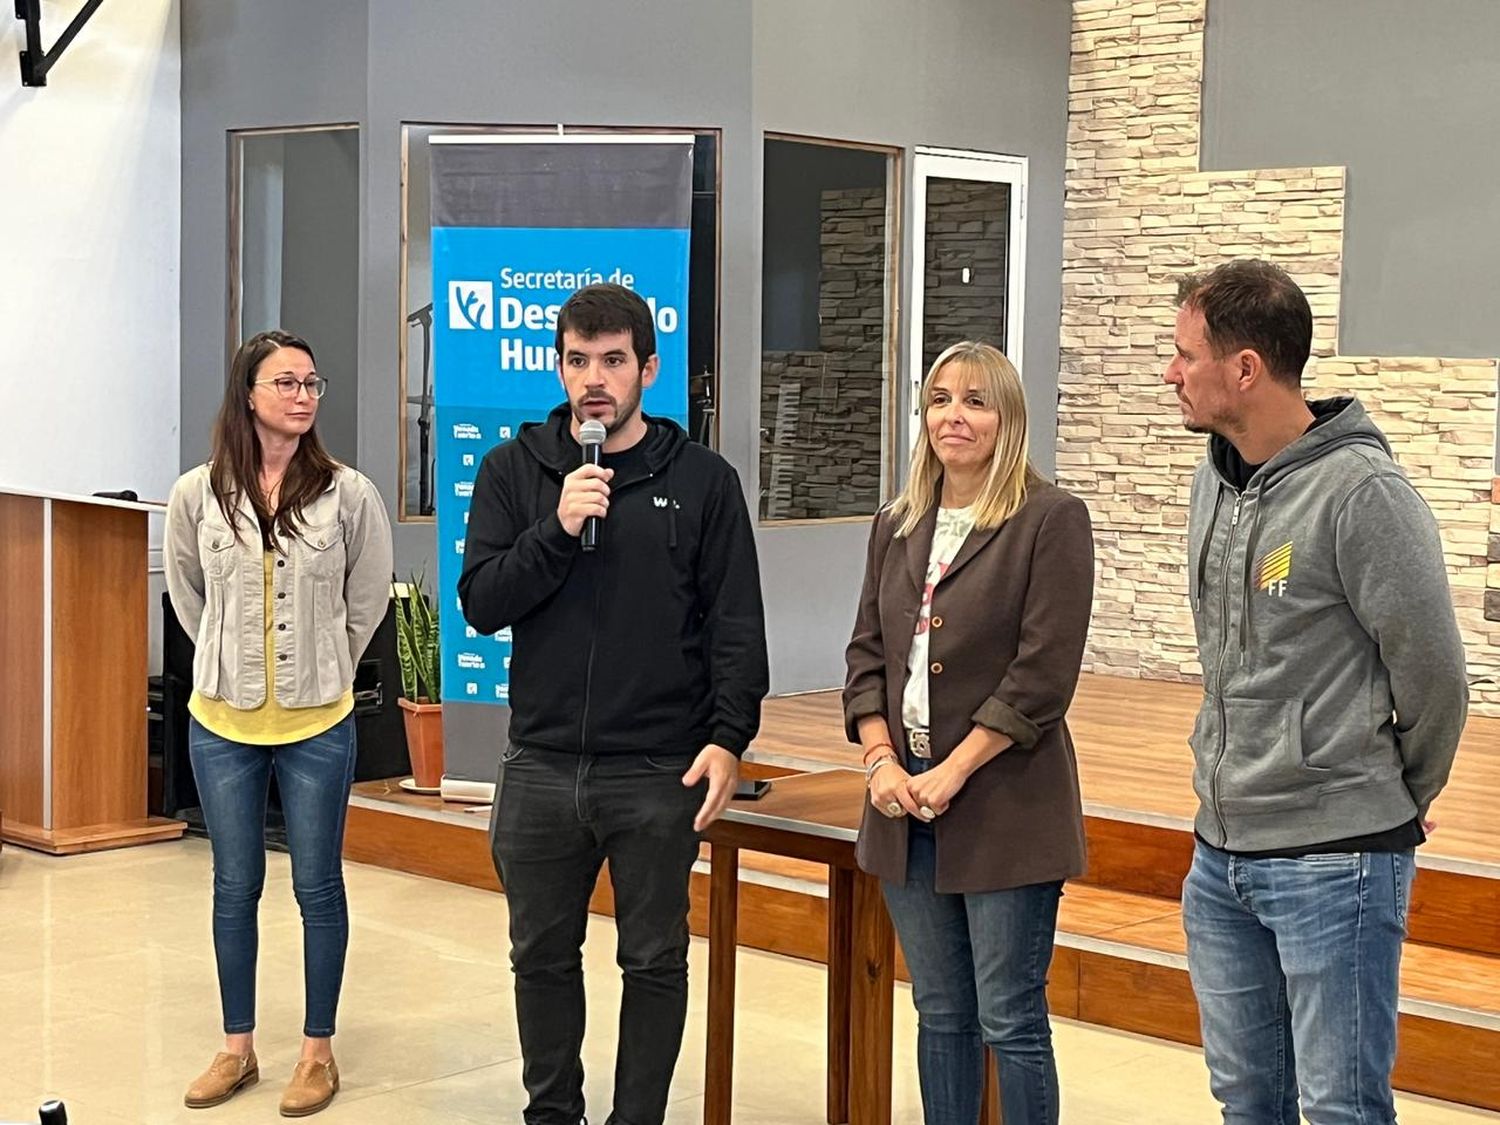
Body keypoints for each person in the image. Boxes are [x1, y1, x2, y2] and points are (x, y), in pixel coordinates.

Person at [1164, 259, 1468, 1124]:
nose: (1171, 372)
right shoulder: (1212, 481)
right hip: (1219, 856)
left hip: (1336, 859)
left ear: (1246, 369)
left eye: (1186, 355)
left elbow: (1437, 674)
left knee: (1341, 1108)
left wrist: (1391, 794)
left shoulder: (1364, 493)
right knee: (1248, 1099)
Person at [458, 283, 769, 1125]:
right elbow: (482, 600)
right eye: (578, 360)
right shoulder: (515, 470)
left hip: (657, 767)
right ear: (558, 365)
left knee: (655, 960)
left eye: (614, 360)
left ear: (649, 368)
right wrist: (555, 528)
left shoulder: (704, 481)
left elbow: (736, 622)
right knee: (542, 959)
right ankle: (551, 1114)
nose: (594, 378)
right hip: (542, 765)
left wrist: (729, 737)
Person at [844, 341, 1095, 1125]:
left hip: (1003, 803)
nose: (956, 415)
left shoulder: (1050, 519)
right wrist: (880, 758)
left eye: (977, 400)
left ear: (1008, 418)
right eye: (942, 398)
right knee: (941, 1012)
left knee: (1010, 1019)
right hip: (901, 804)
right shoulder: (897, 522)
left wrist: (953, 769)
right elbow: (865, 655)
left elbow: (1042, 674)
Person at [164, 329, 393, 1117]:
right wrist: (233, 662)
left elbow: (366, 600)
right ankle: (237, 1048)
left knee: (317, 884)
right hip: (221, 721)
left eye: (312, 384)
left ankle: (316, 1053)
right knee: (234, 885)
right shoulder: (198, 492)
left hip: (317, 721)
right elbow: (190, 596)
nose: (303, 396)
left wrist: (322, 662)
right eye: (287, 382)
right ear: (249, 395)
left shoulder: (348, 492)